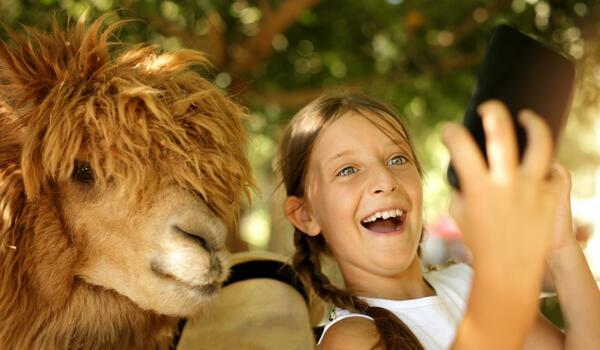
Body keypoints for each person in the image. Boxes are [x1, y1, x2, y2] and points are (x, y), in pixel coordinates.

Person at [277, 92, 600, 349]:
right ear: (305, 215)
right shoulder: (351, 338)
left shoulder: (465, 281)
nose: (385, 179)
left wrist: (560, 246)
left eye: (397, 159)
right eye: (347, 170)